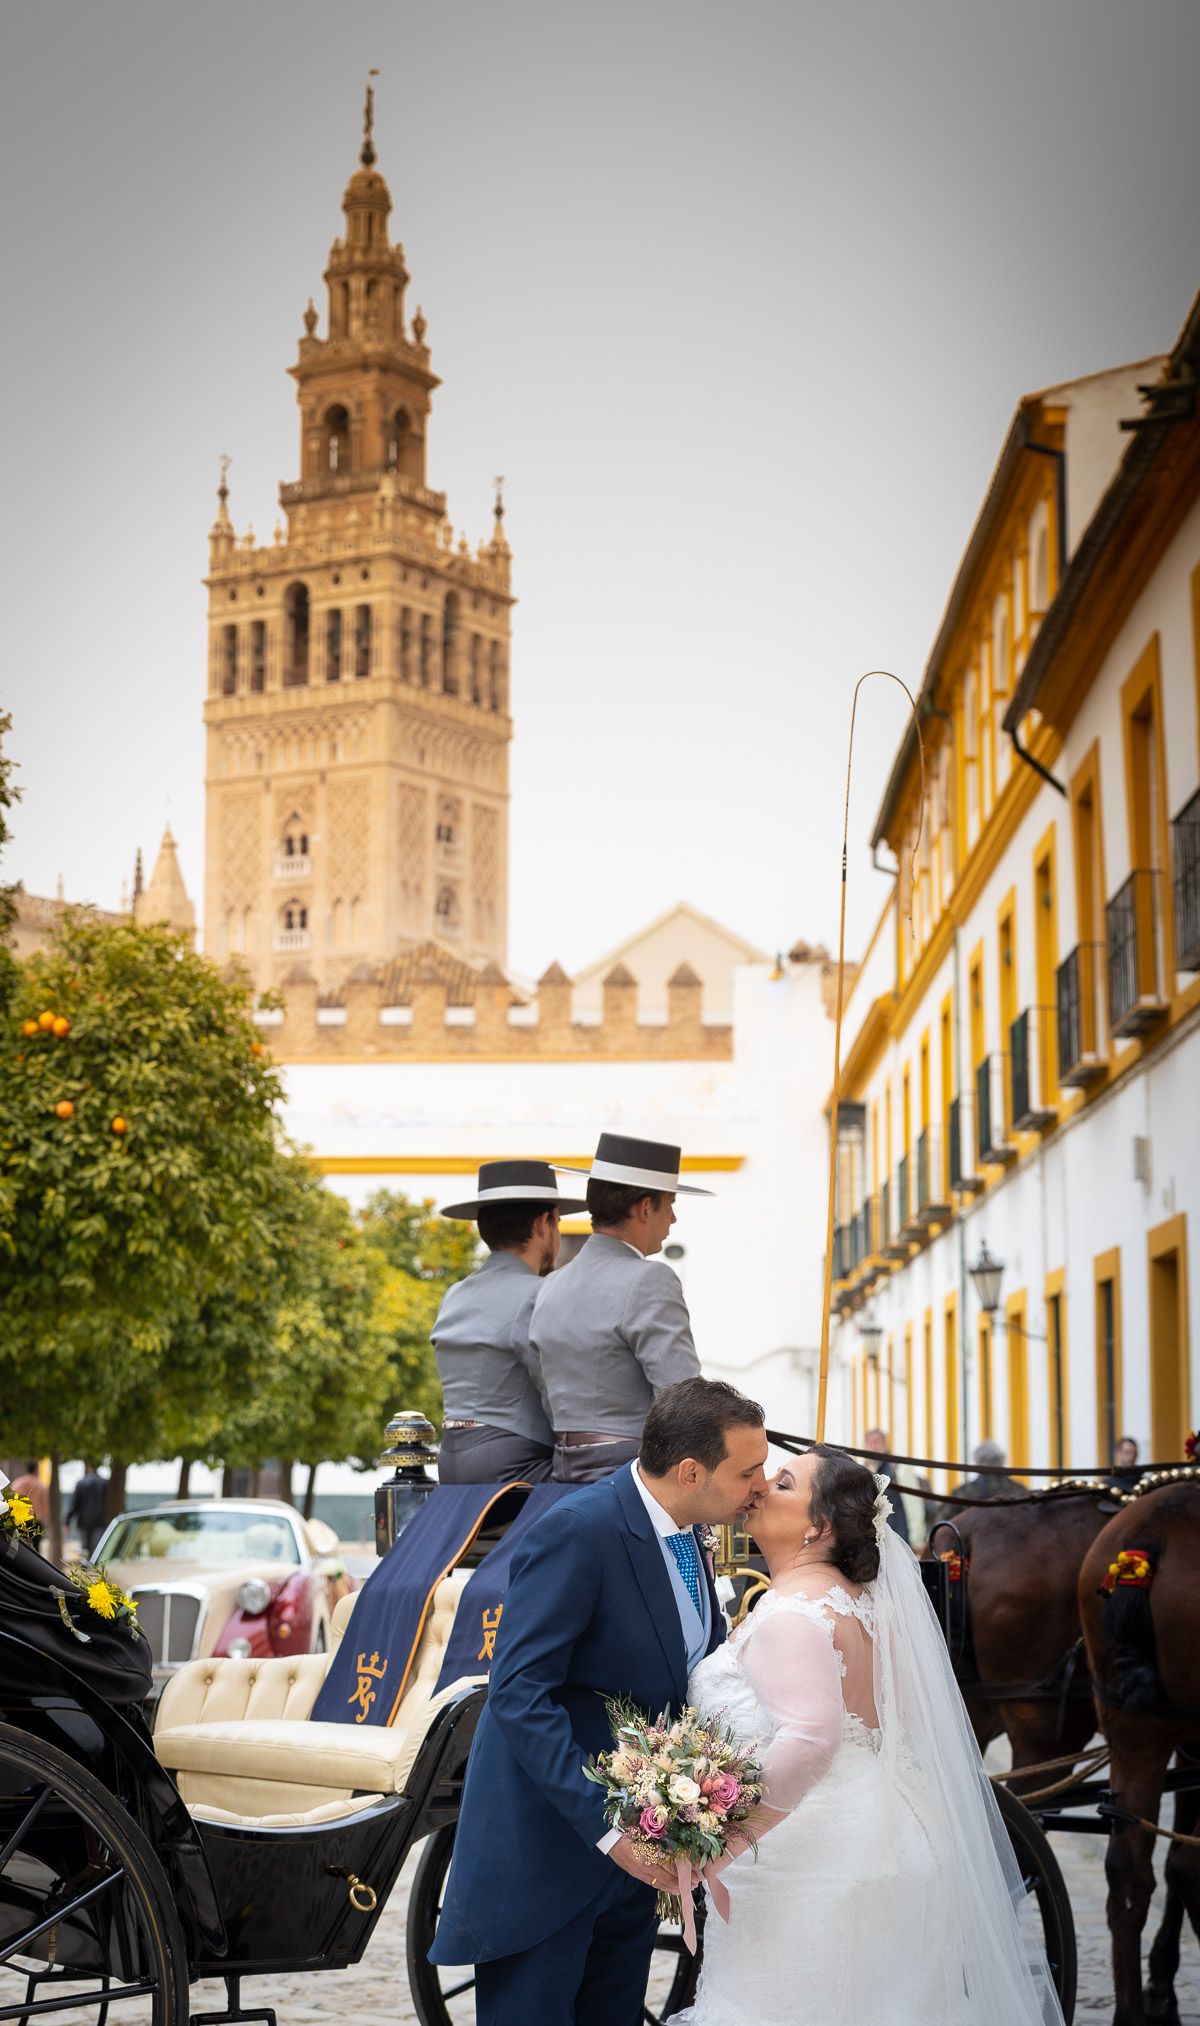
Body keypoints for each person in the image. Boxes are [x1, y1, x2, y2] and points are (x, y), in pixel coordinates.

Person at [674, 1446, 1064, 2026]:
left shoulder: (788, 1613)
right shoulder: (865, 1608)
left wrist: (718, 1841)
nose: (759, 1488)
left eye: (783, 1483)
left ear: (819, 1526)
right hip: (894, 1835)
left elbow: (810, 1740)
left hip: (812, 1865)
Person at [429, 1377, 771, 2025]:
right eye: (748, 1471)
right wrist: (610, 1831)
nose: (761, 1485)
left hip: (637, 1865)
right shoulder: (578, 1531)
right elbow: (518, 1693)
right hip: (550, 1854)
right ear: (691, 1472)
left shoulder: (692, 1533)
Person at [530, 1132, 709, 1482]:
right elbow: (682, 1396)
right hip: (626, 1472)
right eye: (670, 1204)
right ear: (645, 1208)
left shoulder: (551, 1283)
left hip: (563, 1468)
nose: (673, 1218)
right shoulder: (649, 1277)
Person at [432, 1160, 588, 1484]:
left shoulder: (455, 1293)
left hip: (450, 1460)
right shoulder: (538, 1293)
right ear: (543, 1224)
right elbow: (560, 1394)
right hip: (513, 1462)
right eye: (558, 1223)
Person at [937, 1438, 1026, 1520]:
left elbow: (945, 1525)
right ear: (1002, 1460)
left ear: (978, 1461)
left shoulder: (962, 1492)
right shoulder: (1019, 1490)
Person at [860, 1430, 910, 1543]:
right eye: (869, 1443)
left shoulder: (897, 1468)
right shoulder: (865, 1471)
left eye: (876, 1441)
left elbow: (913, 1506)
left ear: (885, 1444)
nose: (873, 1446)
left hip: (899, 1535)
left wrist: (916, 1540)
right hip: (876, 1539)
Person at [64, 1463, 109, 1556]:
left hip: (84, 1520)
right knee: (97, 1548)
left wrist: (67, 1521)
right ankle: (94, 1564)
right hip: (99, 1520)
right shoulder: (104, 1482)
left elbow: (74, 1504)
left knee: (85, 1549)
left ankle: (85, 1564)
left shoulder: (81, 1483)